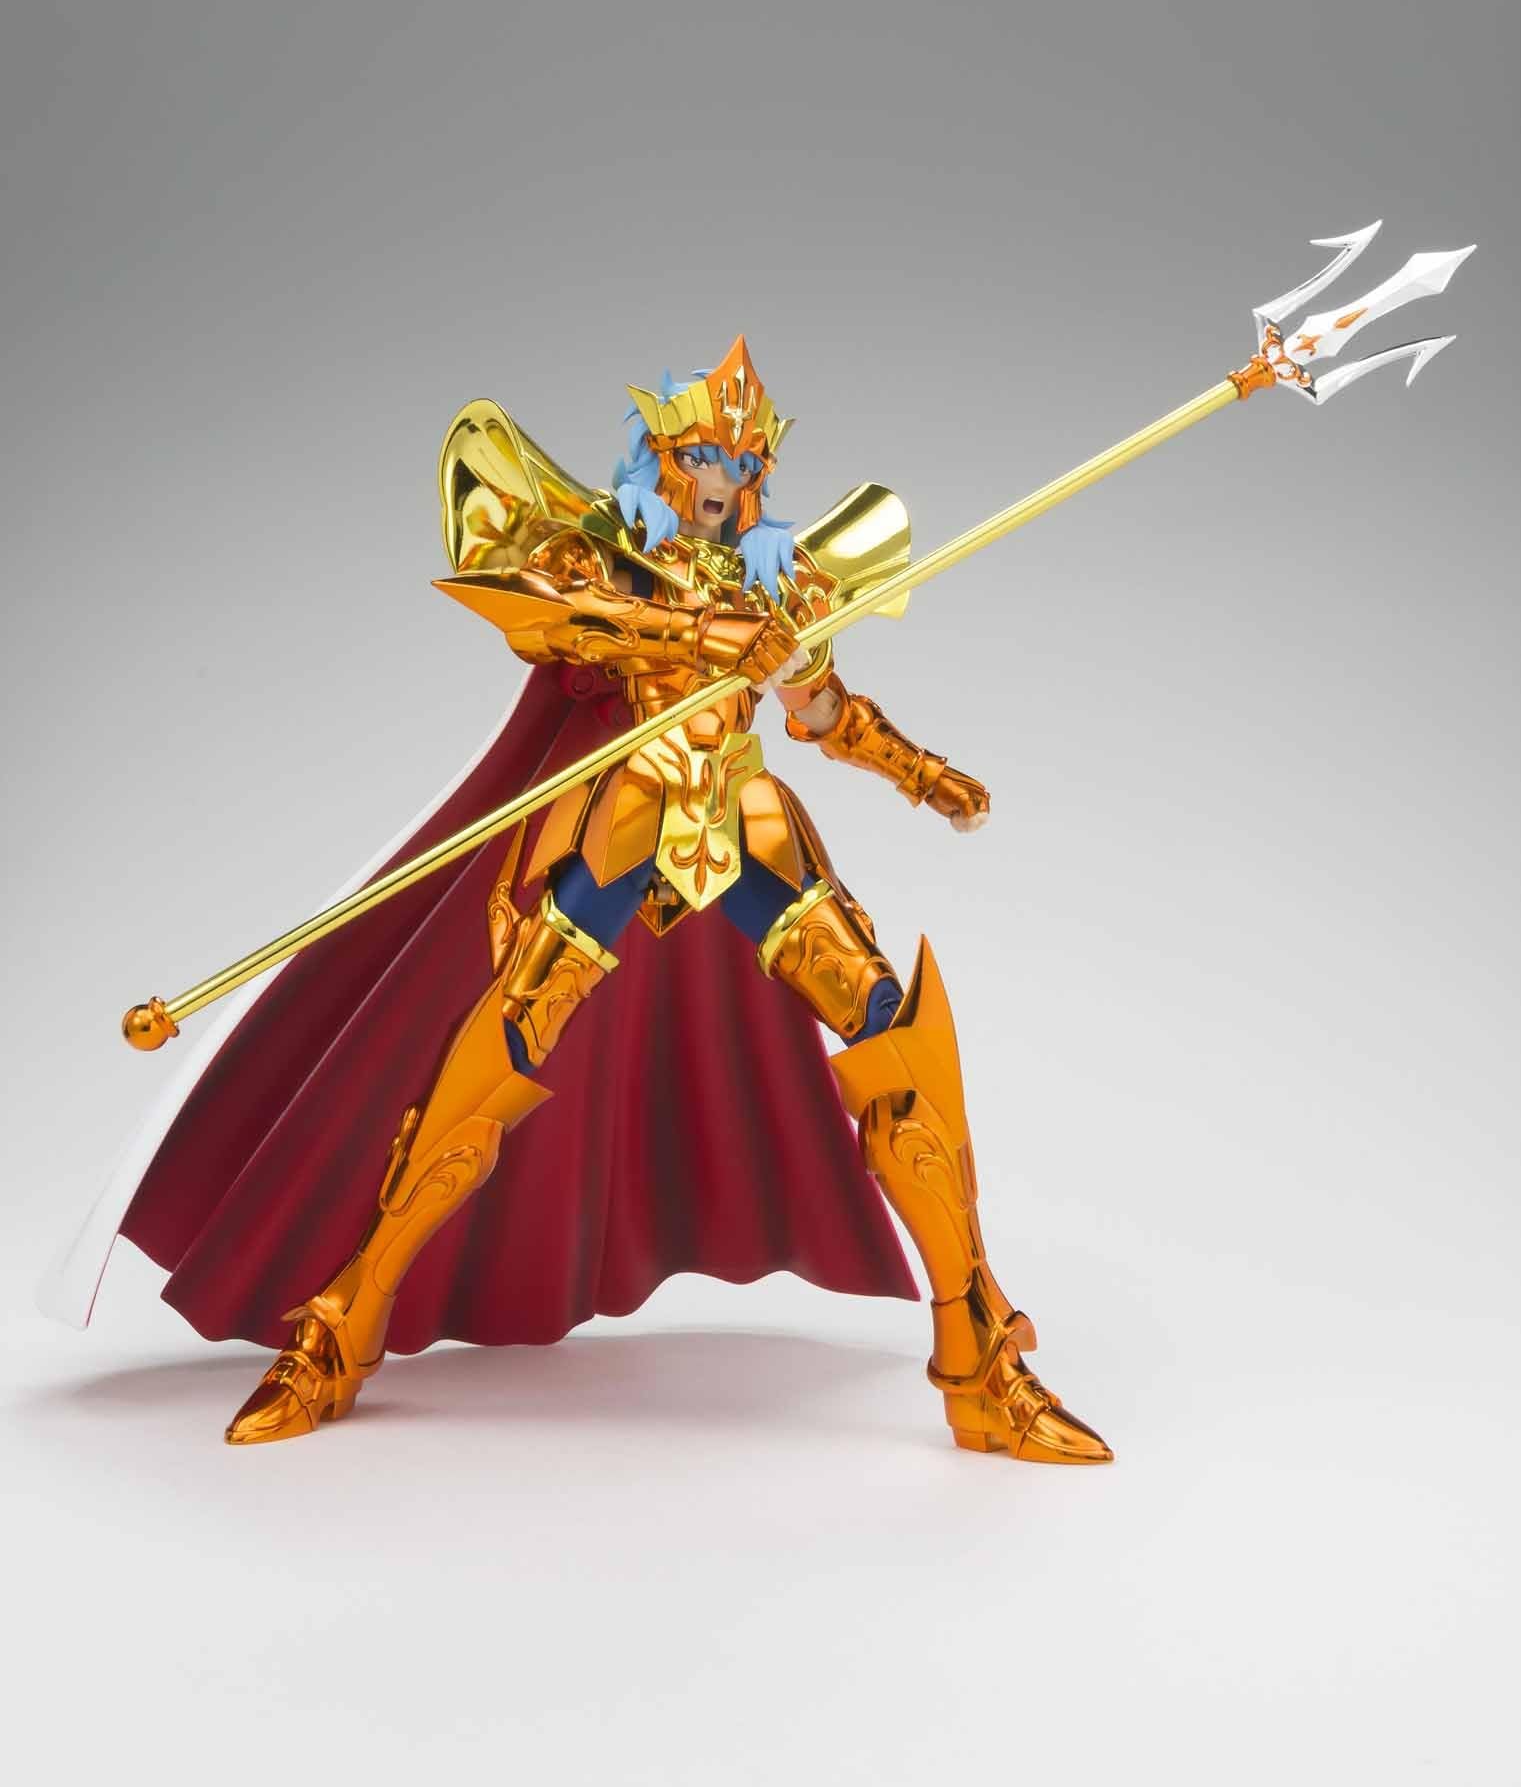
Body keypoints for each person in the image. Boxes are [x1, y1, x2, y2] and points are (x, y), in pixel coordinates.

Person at [96, 335, 1112, 1464]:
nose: (727, 481)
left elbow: (821, 708)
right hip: (628, 820)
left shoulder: (777, 583)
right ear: (667, 460)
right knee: (497, 1044)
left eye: (745, 463)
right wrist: (696, 632)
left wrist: (921, 772)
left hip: (745, 826)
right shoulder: (613, 556)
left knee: (889, 1025)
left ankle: (978, 1358)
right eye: (708, 457)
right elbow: (556, 616)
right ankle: (346, 1317)